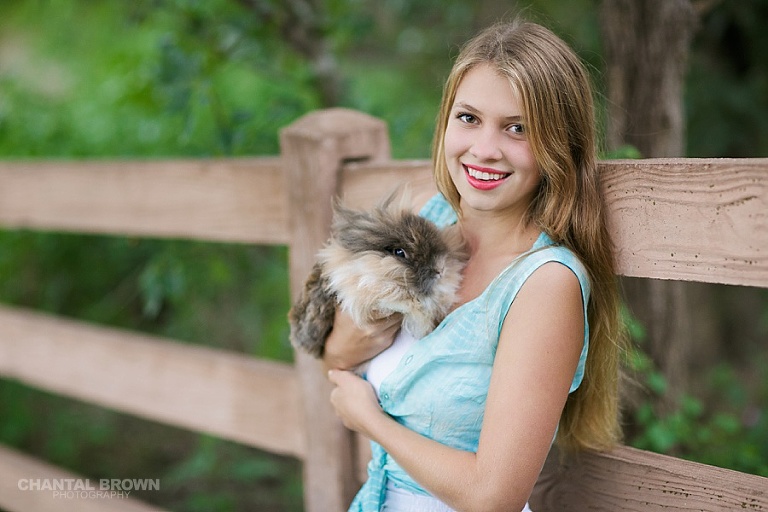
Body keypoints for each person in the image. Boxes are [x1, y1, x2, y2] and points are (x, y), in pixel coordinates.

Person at [323, 18, 625, 512]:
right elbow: (337, 356)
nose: (484, 149)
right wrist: (345, 347)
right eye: (468, 118)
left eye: (517, 128)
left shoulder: (544, 283)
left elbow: (493, 497)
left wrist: (371, 421)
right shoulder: (426, 222)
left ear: (559, 145)